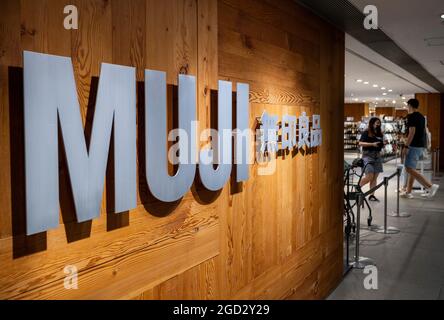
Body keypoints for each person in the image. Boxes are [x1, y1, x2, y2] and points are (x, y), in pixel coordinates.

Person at [401, 99, 439, 198]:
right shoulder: (422, 117)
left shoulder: (412, 117)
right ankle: (408, 192)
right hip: (420, 145)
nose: (407, 107)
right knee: (412, 168)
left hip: (413, 145)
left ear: (410, 105)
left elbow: (412, 132)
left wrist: (406, 146)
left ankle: (430, 186)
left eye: (407, 105)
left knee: (409, 168)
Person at [358, 117, 385, 201]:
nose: (378, 124)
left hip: (377, 156)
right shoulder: (366, 132)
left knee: (374, 178)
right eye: (376, 123)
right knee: (369, 176)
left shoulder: (380, 133)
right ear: (372, 123)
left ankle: (371, 195)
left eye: (379, 123)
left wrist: (382, 144)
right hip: (367, 156)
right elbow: (360, 143)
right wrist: (372, 144)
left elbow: (381, 143)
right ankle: (357, 188)